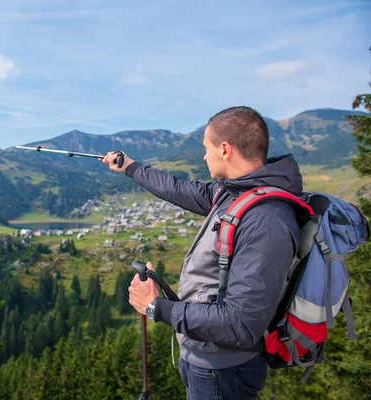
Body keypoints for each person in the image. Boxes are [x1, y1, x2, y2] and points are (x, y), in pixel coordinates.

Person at [102, 106, 302, 400]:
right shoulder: (234, 193)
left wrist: (157, 307)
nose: (204, 156)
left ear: (225, 150)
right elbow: (178, 189)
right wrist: (130, 166)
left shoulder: (267, 219)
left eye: (206, 148)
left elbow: (241, 325)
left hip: (224, 372)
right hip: (205, 359)